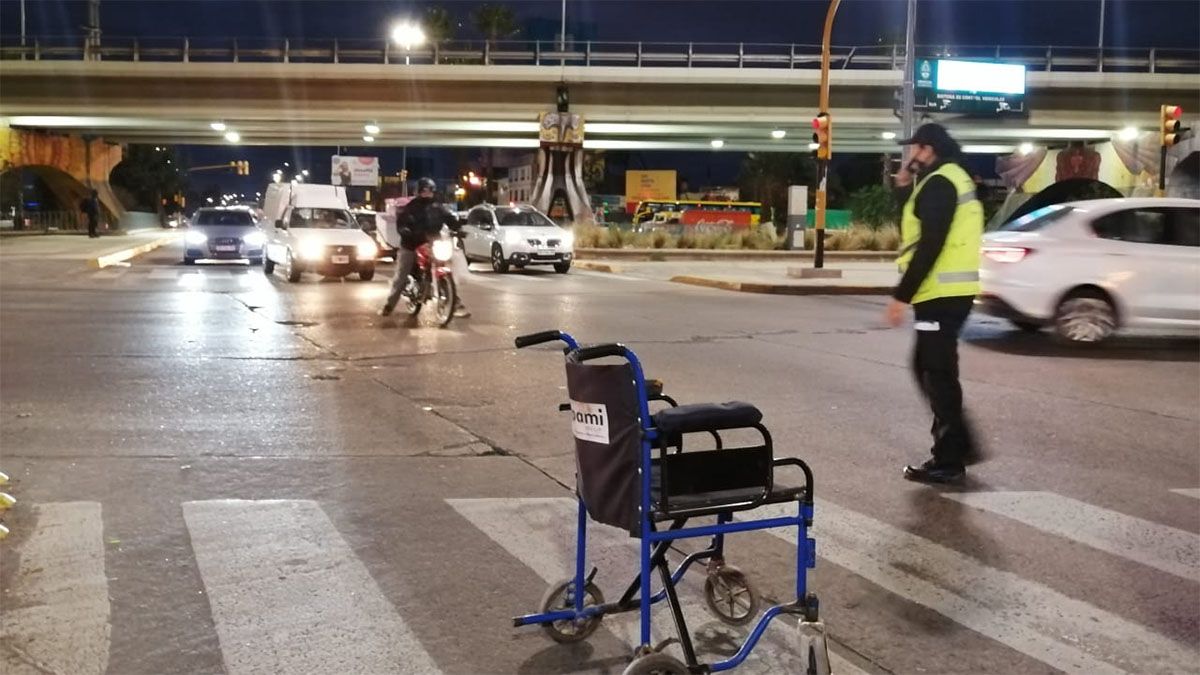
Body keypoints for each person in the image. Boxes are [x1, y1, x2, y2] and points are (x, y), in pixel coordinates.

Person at [885, 123, 984, 484]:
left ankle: (949, 458)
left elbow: (930, 244)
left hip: (940, 295)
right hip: (945, 294)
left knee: (935, 373)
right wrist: (902, 185)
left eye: (914, 150)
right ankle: (959, 446)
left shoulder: (942, 182)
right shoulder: (947, 179)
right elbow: (917, 225)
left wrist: (901, 295)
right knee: (930, 369)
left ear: (928, 149)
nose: (910, 156)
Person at [379, 177, 470, 318]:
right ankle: (389, 305)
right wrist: (405, 230)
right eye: (424, 190)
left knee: (445, 265)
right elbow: (402, 223)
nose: (427, 193)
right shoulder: (411, 207)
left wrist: (458, 227)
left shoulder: (437, 207)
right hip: (412, 243)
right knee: (402, 274)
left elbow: (449, 218)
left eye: (429, 191)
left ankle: (454, 302)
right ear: (418, 191)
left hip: (433, 242)